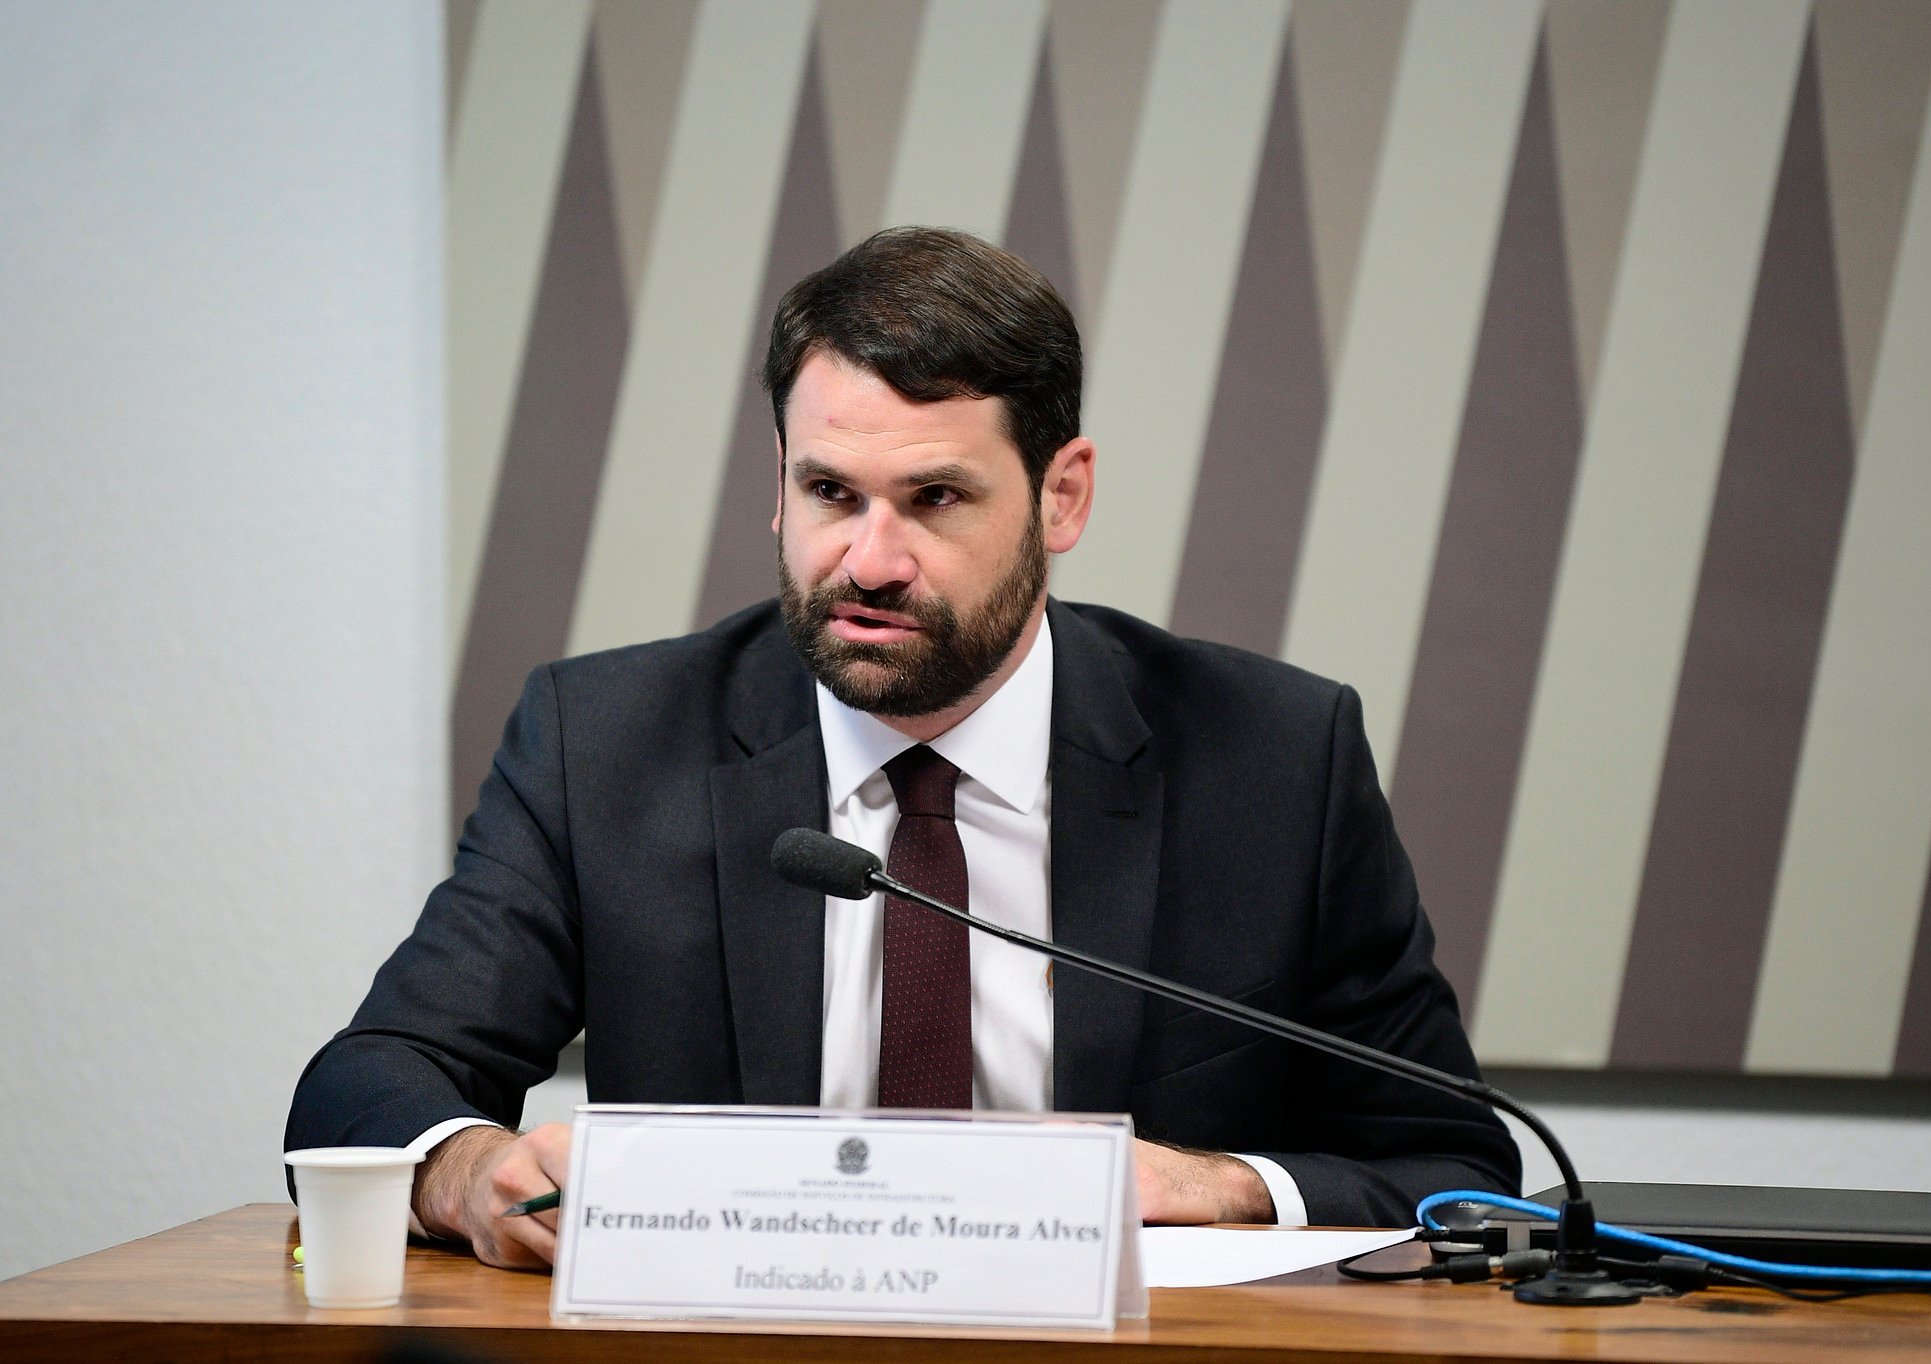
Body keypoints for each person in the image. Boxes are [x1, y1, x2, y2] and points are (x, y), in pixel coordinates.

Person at [286, 227, 1520, 1269]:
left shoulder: (1271, 759)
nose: (869, 561)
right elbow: (370, 1080)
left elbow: (1455, 1164)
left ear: (1061, 496)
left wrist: (1218, 1186)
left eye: (934, 498)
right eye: (829, 493)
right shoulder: (602, 743)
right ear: (778, 485)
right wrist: (464, 1170)